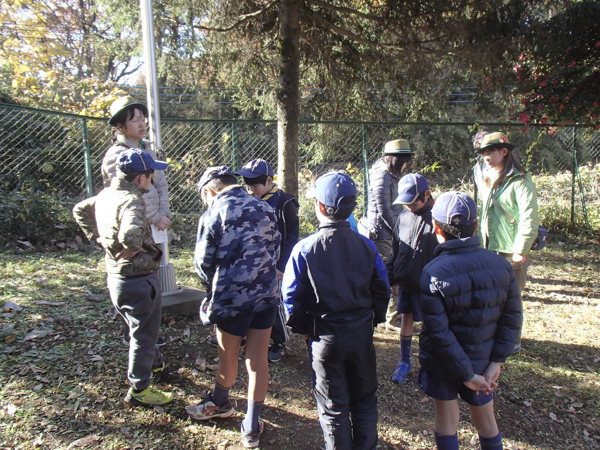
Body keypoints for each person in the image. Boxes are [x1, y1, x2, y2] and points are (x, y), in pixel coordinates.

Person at [283, 171, 390, 450]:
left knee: (333, 405)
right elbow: (383, 289)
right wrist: (373, 319)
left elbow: (291, 299)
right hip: (360, 336)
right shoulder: (367, 247)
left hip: (324, 339)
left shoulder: (304, 249)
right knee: (365, 399)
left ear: (319, 207)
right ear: (353, 208)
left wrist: (304, 330)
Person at [419, 191, 522, 450]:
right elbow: (512, 318)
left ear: (436, 228)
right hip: (483, 361)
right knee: (487, 421)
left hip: (443, 364)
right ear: (476, 225)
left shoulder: (433, 273)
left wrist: (465, 374)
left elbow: (439, 332)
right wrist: (496, 361)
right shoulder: (501, 265)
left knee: (446, 420)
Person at [186, 166, 280, 449]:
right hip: (265, 296)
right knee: (257, 359)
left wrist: (211, 290)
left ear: (209, 190)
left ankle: (220, 401)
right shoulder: (264, 207)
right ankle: (252, 424)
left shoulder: (213, 212)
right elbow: (274, 251)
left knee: (228, 358)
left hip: (231, 299)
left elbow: (203, 263)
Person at [73, 149, 173, 407]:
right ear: (142, 178)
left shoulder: (107, 194)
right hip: (138, 277)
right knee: (143, 334)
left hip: (116, 277)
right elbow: (130, 235)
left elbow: (80, 209)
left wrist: (97, 237)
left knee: (140, 327)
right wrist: (131, 246)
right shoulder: (132, 200)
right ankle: (139, 389)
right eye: (151, 175)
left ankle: (156, 365)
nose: (151, 180)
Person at [235, 158, 299, 363]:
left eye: (255, 185)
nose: (252, 189)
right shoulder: (249, 200)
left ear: (269, 181)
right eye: (249, 186)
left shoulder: (284, 203)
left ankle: (279, 341)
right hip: (253, 262)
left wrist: (282, 266)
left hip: (276, 264)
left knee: (275, 302)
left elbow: (291, 238)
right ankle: (245, 336)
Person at [386, 174, 437, 383]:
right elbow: (395, 250)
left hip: (429, 285)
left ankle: (428, 365)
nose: (409, 206)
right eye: (405, 202)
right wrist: (393, 278)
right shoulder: (404, 217)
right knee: (405, 316)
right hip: (406, 282)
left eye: (412, 201)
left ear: (426, 194)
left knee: (430, 324)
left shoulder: (437, 219)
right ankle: (405, 361)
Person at [358, 139, 413, 332]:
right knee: (389, 273)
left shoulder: (390, 173)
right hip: (380, 233)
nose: (404, 165)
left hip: (390, 230)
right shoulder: (382, 175)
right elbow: (383, 209)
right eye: (401, 160)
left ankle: (392, 316)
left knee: (391, 271)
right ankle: (392, 319)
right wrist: (399, 229)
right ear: (392, 158)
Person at [102, 96, 171, 233]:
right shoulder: (117, 156)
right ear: (120, 127)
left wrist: (163, 213)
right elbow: (127, 192)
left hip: (155, 224)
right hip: (130, 224)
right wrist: (155, 216)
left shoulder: (148, 150)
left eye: (142, 119)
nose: (141, 124)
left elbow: (161, 183)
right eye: (134, 120)